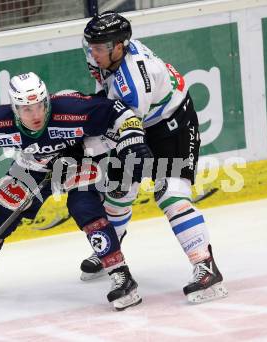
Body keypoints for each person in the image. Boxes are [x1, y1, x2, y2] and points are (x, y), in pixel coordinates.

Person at [0, 72, 152, 310]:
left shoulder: (71, 109)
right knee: (0, 216)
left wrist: (110, 143)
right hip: (33, 163)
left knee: (83, 206)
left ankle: (122, 276)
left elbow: (120, 113)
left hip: (78, 158)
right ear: (15, 108)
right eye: (27, 109)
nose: (36, 114)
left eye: (40, 106)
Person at [80, 11, 228, 303]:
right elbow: (105, 95)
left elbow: (123, 130)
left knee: (169, 193)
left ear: (118, 46)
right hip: (140, 122)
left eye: (98, 47)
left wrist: (86, 146)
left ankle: (206, 267)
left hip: (173, 127)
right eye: (92, 46)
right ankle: (112, 249)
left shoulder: (134, 83)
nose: (92, 53)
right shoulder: (103, 55)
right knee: (118, 188)